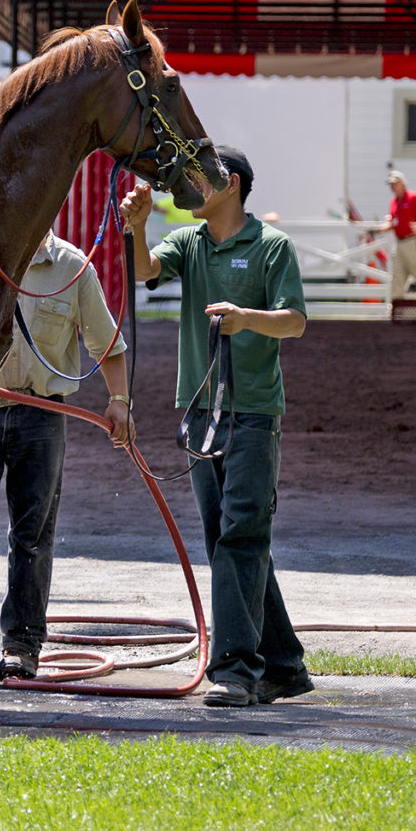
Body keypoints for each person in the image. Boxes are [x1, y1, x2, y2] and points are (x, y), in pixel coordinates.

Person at [120, 145, 312, 708]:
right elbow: (144, 271)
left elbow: (295, 321)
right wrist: (137, 227)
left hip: (253, 414)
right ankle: (283, 665)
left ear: (230, 185)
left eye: (197, 177)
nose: (186, 185)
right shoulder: (188, 242)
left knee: (240, 536)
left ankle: (235, 671)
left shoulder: (272, 246)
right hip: (201, 411)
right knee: (227, 539)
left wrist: (246, 317)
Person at [0, 231, 134, 683]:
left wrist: (120, 400)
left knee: (32, 534)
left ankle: (23, 644)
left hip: (41, 416)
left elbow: (105, 342)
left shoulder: (72, 267)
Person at [378, 169, 416, 302]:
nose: (393, 187)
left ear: (403, 183)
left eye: (396, 183)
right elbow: (394, 223)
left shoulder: (413, 197)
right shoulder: (394, 202)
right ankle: (396, 308)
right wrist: (377, 230)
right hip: (398, 242)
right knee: (397, 275)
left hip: (412, 241)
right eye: (391, 184)